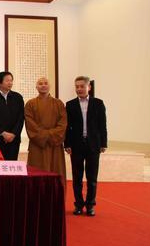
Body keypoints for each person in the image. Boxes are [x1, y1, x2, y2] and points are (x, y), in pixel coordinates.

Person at [65, 76, 107, 216]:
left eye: (82, 86)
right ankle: (78, 205)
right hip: (76, 145)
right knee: (77, 178)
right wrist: (67, 144)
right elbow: (67, 127)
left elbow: (102, 125)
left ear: (89, 87)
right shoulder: (70, 105)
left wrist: (103, 143)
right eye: (77, 86)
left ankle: (90, 205)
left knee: (92, 178)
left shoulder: (98, 103)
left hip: (93, 145)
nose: (79, 89)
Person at [25, 77, 68, 185]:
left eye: (45, 83)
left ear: (49, 86)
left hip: (55, 145)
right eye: (40, 83)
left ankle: (55, 199)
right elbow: (30, 125)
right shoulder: (30, 104)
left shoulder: (59, 104)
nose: (43, 85)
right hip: (37, 145)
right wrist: (49, 135)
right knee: (36, 174)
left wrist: (48, 135)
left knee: (55, 173)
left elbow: (63, 124)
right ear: (36, 87)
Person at [0, 71, 25, 160]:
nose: (10, 83)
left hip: (14, 139)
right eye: (7, 80)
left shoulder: (18, 97)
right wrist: (3, 133)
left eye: (11, 80)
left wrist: (13, 134)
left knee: (12, 166)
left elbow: (21, 118)